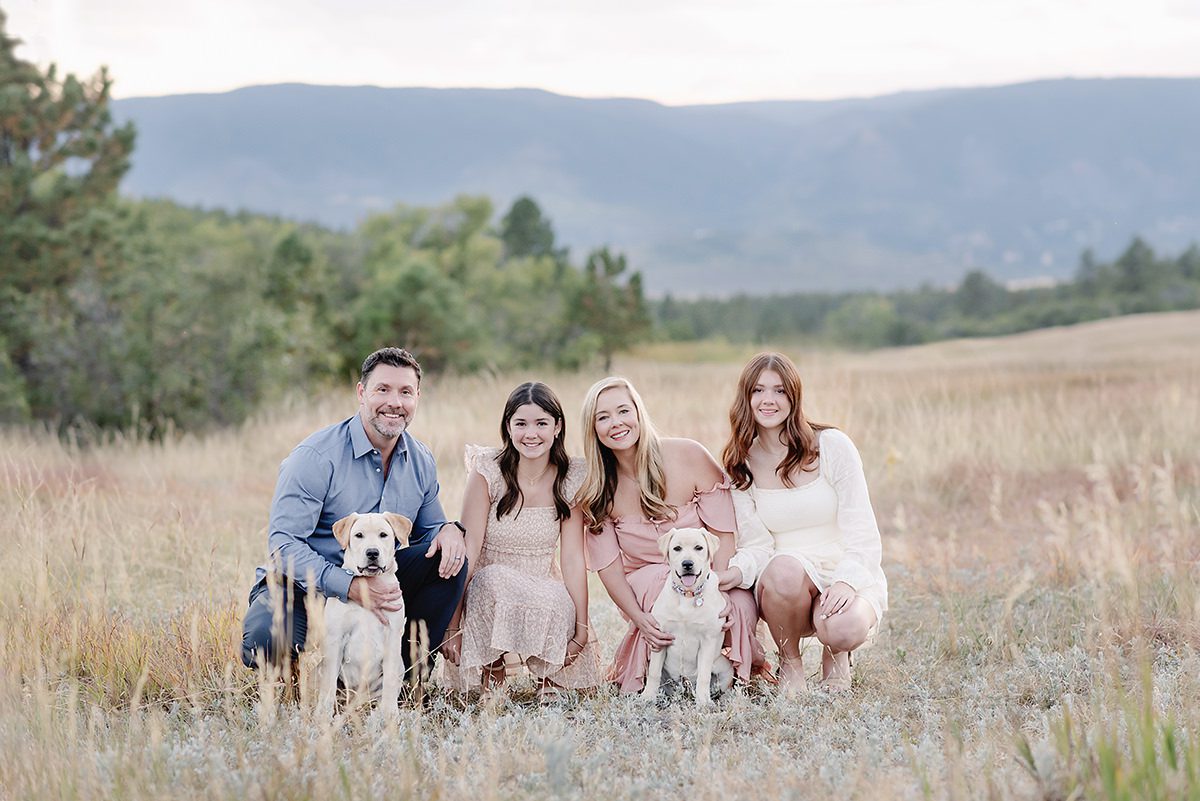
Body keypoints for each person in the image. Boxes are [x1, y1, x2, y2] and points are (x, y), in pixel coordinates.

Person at [240, 347, 468, 683]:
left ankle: (404, 678)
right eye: (382, 389)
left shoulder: (420, 459)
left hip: (378, 575)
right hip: (302, 584)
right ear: (361, 393)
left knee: (449, 559)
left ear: (417, 397)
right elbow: (284, 544)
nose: (395, 402)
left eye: (405, 392)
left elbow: (428, 532)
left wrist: (449, 530)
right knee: (265, 644)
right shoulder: (315, 456)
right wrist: (348, 585)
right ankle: (302, 680)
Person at [577, 376, 763, 694]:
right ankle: (663, 676)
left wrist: (716, 588)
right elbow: (610, 571)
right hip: (645, 582)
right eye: (603, 417)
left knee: (736, 606)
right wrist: (639, 618)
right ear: (592, 428)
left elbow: (723, 534)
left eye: (624, 411)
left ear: (638, 412)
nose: (616, 423)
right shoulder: (598, 487)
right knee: (664, 587)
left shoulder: (688, 455)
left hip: (709, 572)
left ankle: (725, 675)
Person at [721, 352, 887, 693]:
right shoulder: (741, 464)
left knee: (843, 629)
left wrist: (847, 582)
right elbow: (756, 545)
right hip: (784, 583)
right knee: (784, 568)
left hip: (843, 567)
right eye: (758, 390)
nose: (768, 400)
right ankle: (790, 661)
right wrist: (734, 573)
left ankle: (836, 653)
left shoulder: (832, 446)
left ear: (794, 397)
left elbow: (863, 532)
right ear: (745, 398)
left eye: (780, 390)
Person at [440, 382, 601, 699]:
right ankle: (493, 668)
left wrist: (581, 629)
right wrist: (453, 624)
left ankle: (549, 677)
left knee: (560, 598)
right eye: (521, 424)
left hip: (542, 584)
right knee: (492, 579)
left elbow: (572, 558)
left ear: (557, 427)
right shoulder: (487, 471)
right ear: (508, 427)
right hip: (488, 587)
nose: (531, 434)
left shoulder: (570, 477)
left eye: (541, 423)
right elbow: (469, 551)